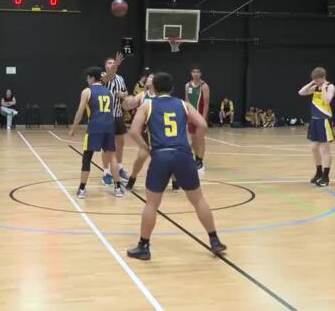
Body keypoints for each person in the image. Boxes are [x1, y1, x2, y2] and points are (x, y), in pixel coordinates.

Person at [126, 72, 226, 260]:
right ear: (172, 88)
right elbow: (203, 124)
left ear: (153, 87)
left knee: (152, 204)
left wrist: (146, 148)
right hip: (183, 155)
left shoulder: (148, 105)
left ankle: (144, 246)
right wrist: (195, 144)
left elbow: (133, 131)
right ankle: (214, 240)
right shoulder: (183, 104)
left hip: (161, 156)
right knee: (198, 200)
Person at [69, 66, 125, 198]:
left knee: (87, 158)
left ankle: (82, 189)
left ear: (92, 78)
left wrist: (73, 128)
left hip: (94, 127)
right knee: (112, 157)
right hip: (109, 127)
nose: (87, 80)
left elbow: (80, 111)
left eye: (87, 78)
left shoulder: (87, 91)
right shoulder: (108, 92)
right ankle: (117, 188)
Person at [298, 67, 335, 187]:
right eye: (314, 79)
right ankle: (318, 172)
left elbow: (327, 101)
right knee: (314, 148)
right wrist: (312, 83)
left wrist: (323, 87)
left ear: (323, 77)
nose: (315, 81)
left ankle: (326, 176)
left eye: (317, 79)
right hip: (314, 121)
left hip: (324, 120)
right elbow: (301, 92)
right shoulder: (315, 87)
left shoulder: (329, 87)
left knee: (325, 149)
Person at [101, 52, 130, 185]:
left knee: (120, 143)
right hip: (106, 116)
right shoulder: (102, 76)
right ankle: (106, 172)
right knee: (107, 146)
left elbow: (126, 92)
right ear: (105, 66)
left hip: (118, 115)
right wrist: (117, 65)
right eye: (109, 63)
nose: (112, 64)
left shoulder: (120, 78)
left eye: (114, 62)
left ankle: (119, 167)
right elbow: (108, 78)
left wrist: (122, 94)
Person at [185, 65, 210, 171]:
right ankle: (196, 159)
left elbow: (206, 104)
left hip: (200, 117)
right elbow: (186, 101)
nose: (196, 73)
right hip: (191, 117)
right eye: (194, 71)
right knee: (194, 140)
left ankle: (200, 161)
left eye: (198, 72)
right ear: (191, 73)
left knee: (200, 139)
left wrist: (203, 118)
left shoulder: (204, 86)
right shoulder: (187, 85)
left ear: (201, 74)